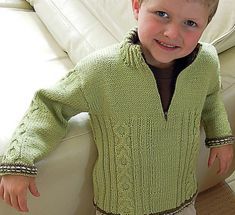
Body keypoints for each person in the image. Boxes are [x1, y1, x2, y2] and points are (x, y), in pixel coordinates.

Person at [0, 0, 234, 214]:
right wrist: (19, 160)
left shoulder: (207, 62)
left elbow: (211, 97)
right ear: (136, 7)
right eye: (161, 14)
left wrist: (221, 136)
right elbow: (50, 105)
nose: (172, 33)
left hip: (182, 200)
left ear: (205, 26)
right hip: (122, 208)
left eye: (190, 23)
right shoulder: (101, 70)